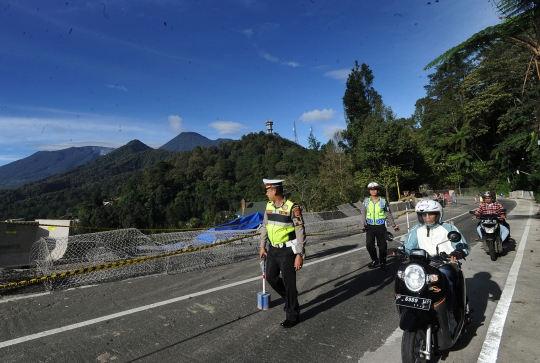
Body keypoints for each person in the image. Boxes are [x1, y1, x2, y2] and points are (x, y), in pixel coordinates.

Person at [391, 199, 469, 333]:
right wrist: (398, 250)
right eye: (423, 215)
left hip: (445, 263)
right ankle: (408, 310)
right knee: (402, 277)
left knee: (445, 279)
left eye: (430, 214)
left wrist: (458, 251)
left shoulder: (448, 228)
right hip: (422, 265)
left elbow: (462, 245)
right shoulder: (416, 229)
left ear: (438, 214)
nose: (427, 217)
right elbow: (408, 246)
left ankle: (450, 314)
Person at [259, 179, 307, 328]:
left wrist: (300, 254)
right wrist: (262, 246)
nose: (266, 193)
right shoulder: (268, 206)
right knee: (271, 277)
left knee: (289, 282)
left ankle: (292, 314)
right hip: (273, 249)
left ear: (274, 191)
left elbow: (300, 232)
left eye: (267, 190)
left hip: (287, 251)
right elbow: (265, 227)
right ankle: (290, 298)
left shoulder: (292, 207)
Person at [359, 182, 400, 271]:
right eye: (371, 190)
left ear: (378, 190)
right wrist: (363, 223)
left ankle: (383, 263)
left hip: (381, 227)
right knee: (369, 245)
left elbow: (388, 214)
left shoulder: (383, 201)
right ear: (369, 191)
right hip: (369, 227)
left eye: (375, 189)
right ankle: (375, 260)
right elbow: (363, 213)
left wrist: (394, 225)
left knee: (382, 246)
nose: (373, 191)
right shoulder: (366, 201)